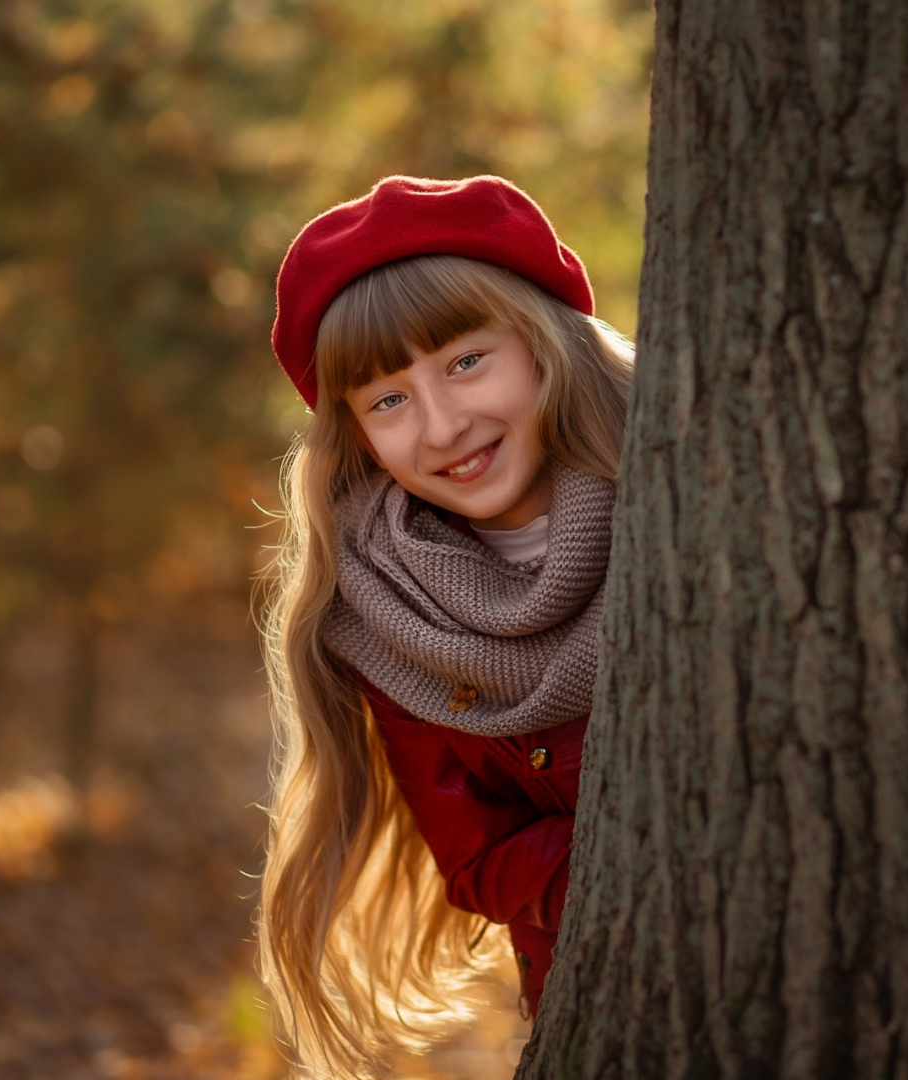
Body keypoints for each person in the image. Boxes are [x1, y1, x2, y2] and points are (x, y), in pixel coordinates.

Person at [256, 175, 633, 1077]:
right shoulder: (389, 617)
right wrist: (659, 845)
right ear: (355, 436)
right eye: (387, 400)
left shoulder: (684, 490)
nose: (443, 424)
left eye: (466, 361)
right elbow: (481, 861)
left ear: (543, 346)